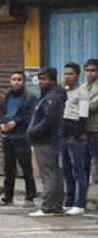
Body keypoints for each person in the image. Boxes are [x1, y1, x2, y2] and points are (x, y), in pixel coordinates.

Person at [0, 70, 38, 207]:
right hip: (7, 137)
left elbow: (32, 117)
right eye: (14, 79)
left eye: (19, 79)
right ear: (10, 81)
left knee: (26, 169)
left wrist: (16, 122)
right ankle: (8, 197)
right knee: (9, 168)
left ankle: (30, 197)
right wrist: (0, 124)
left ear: (23, 81)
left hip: (22, 136)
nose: (16, 82)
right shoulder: (5, 97)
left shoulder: (29, 97)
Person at [27, 67, 67, 217]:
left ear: (52, 80)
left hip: (46, 141)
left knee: (48, 175)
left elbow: (49, 121)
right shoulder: (49, 96)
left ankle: (49, 206)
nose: (41, 82)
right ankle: (56, 206)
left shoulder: (53, 98)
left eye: (44, 79)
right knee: (54, 173)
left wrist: (33, 131)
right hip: (48, 140)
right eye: (40, 79)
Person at [60, 62, 90, 216]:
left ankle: (80, 203)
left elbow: (83, 115)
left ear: (77, 75)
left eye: (70, 74)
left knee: (78, 170)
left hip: (75, 133)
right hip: (64, 132)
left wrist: (76, 136)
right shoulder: (64, 92)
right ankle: (69, 200)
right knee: (66, 170)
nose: (67, 77)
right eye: (65, 73)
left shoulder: (82, 92)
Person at [83, 59, 98, 184]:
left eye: (93, 71)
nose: (90, 73)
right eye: (87, 71)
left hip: (96, 129)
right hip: (84, 130)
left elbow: (92, 106)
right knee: (83, 164)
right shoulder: (83, 86)